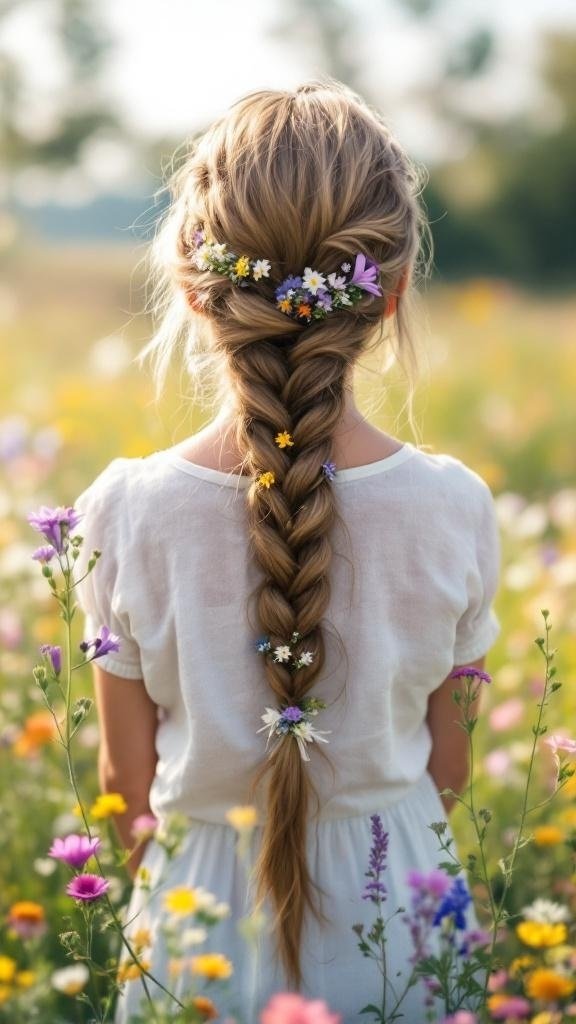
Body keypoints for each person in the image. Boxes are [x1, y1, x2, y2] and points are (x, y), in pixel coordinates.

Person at [73, 80, 501, 1023]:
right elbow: (452, 765)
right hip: (403, 927)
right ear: (389, 294)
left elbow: (123, 790)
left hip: (196, 937)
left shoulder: (124, 511)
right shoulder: (453, 506)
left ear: (193, 287)